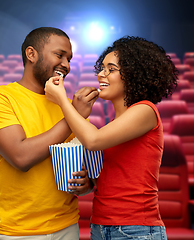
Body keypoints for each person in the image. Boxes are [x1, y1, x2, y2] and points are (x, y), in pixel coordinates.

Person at [45, 36, 178, 240]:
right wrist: (89, 185)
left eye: (111, 69)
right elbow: (115, 177)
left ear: (134, 74)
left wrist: (62, 99)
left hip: (136, 229)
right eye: (102, 68)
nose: (101, 74)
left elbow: (93, 140)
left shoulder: (145, 110)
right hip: (100, 226)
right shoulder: (113, 126)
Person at [0, 27, 99, 239]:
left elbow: (88, 166)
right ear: (31, 54)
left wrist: (87, 183)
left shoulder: (69, 108)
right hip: (14, 231)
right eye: (59, 55)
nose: (67, 65)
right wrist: (74, 117)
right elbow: (21, 157)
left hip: (67, 226)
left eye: (69, 59)